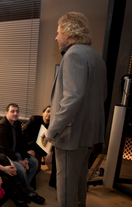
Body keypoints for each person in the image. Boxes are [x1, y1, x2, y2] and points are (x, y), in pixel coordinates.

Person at [44, 12, 107, 207]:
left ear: (68, 34)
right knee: (79, 184)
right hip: (86, 135)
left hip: (71, 136)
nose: (56, 37)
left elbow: (72, 98)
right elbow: (101, 95)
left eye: (58, 32)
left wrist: (52, 131)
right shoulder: (95, 55)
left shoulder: (74, 55)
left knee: (66, 190)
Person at [0, 104, 39, 195]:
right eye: (12, 111)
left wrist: (25, 158)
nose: (15, 113)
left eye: (17, 111)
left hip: (14, 152)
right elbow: (4, 149)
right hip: (3, 155)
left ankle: (24, 187)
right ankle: (27, 190)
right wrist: (19, 161)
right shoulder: (1, 127)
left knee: (34, 162)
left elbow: (21, 143)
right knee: (20, 168)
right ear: (6, 113)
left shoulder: (17, 124)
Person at [23, 106, 52, 174]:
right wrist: (28, 149)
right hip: (31, 146)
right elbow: (23, 132)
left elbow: (54, 140)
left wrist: (51, 152)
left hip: (44, 148)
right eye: (48, 111)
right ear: (43, 113)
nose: (50, 114)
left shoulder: (53, 125)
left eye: (52, 112)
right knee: (35, 169)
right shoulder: (35, 119)